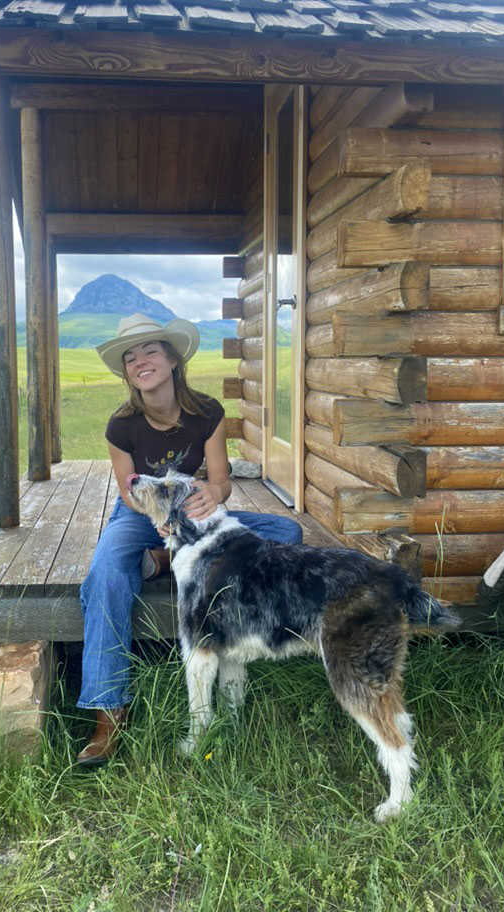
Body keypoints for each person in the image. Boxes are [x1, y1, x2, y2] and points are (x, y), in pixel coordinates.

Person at [76, 313, 303, 767]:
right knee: (105, 573)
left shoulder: (207, 412)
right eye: (130, 357)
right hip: (142, 513)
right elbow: (128, 491)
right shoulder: (120, 425)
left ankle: (165, 561)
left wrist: (209, 496)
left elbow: (221, 481)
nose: (140, 361)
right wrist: (161, 519)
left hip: (193, 507)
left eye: (150, 350)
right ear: (126, 372)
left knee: (287, 531)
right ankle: (109, 711)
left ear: (174, 359)